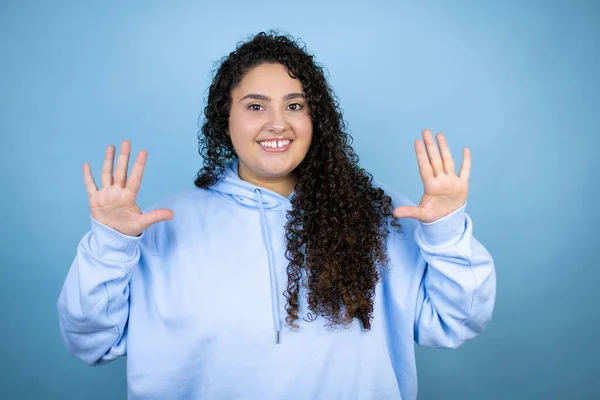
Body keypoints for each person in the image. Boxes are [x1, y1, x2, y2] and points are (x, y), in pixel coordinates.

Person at [57, 31, 496, 400]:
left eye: (294, 105)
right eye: (254, 106)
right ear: (224, 118)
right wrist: (110, 246)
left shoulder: (380, 214)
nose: (276, 123)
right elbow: (91, 342)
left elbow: (455, 321)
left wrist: (446, 231)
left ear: (316, 117)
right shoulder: (161, 225)